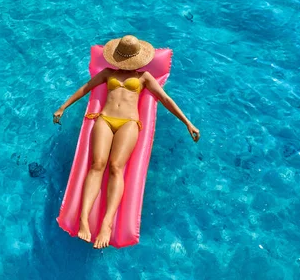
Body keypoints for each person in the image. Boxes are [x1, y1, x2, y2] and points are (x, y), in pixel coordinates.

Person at [53, 35, 200, 249]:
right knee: (97, 165)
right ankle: (84, 218)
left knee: (115, 167)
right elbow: (85, 88)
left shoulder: (144, 78)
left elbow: (166, 99)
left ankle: (107, 224)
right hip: (104, 118)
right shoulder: (107, 73)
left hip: (129, 123)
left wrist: (188, 122)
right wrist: (63, 107)